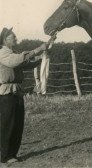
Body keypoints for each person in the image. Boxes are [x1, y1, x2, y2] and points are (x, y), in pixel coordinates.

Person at [0, 27, 50, 165]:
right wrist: (38, 49)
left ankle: (12, 155)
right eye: (13, 37)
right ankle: (4, 157)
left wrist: (41, 59)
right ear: (5, 40)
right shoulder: (3, 53)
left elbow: (26, 64)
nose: (16, 39)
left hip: (17, 92)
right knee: (8, 125)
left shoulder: (13, 53)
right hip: (7, 93)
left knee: (17, 124)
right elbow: (17, 61)